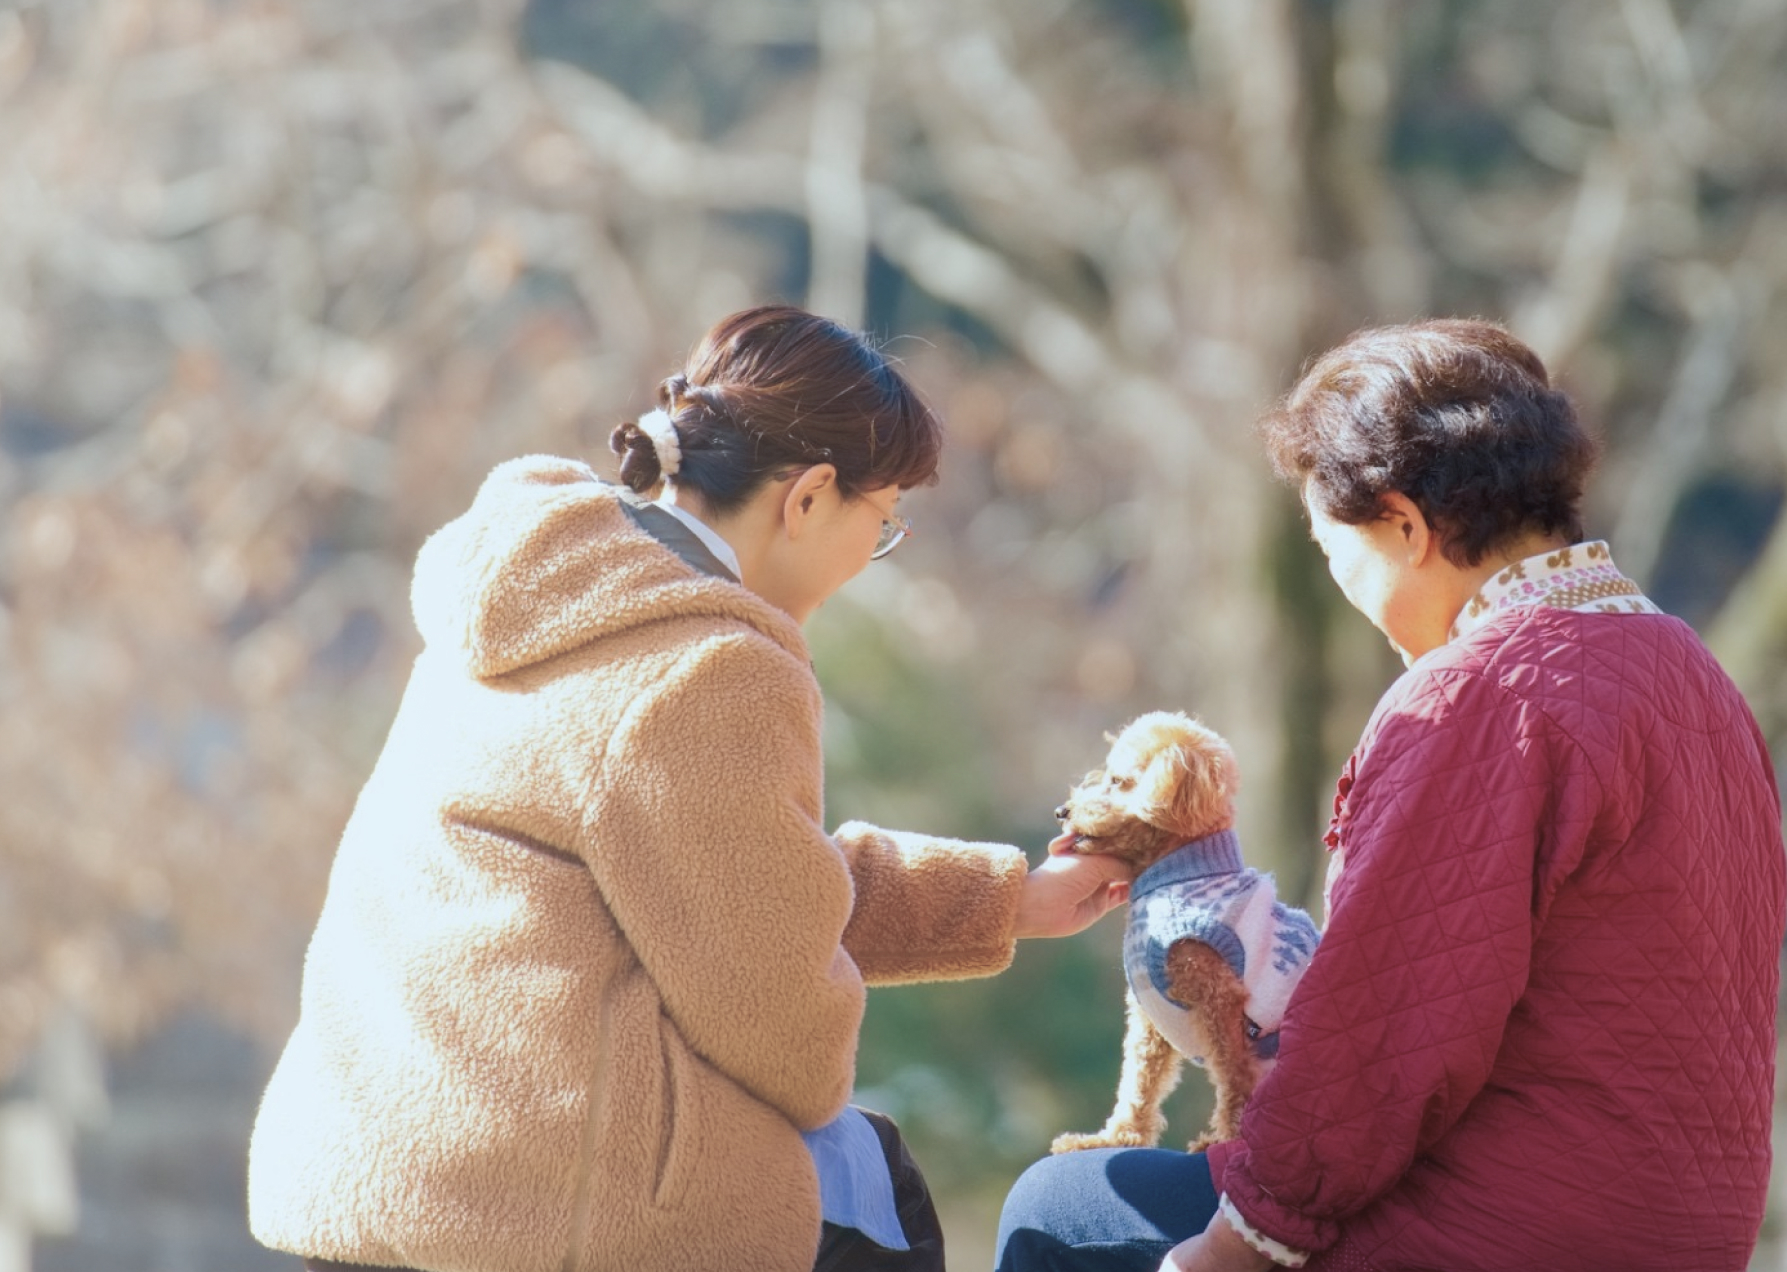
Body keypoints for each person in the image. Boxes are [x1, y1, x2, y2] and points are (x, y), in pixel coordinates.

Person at [246, 306, 1130, 1272]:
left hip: (377, 1163)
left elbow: (725, 880)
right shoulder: (712, 669)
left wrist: (1005, 902)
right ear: (811, 497)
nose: (866, 561)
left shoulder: (541, 585)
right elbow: (787, 1032)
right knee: (876, 1188)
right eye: (879, 527)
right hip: (541, 1204)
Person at [996, 319, 1787, 1272]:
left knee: (1068, 1203)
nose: (1346, 592)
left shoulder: (1476, 693)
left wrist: (1235, 1248)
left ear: (1406, 527)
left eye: (1339, 554)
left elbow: (1379, 1038)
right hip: (1683, 1231)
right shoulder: (1688, 668)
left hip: (1507, 1230)